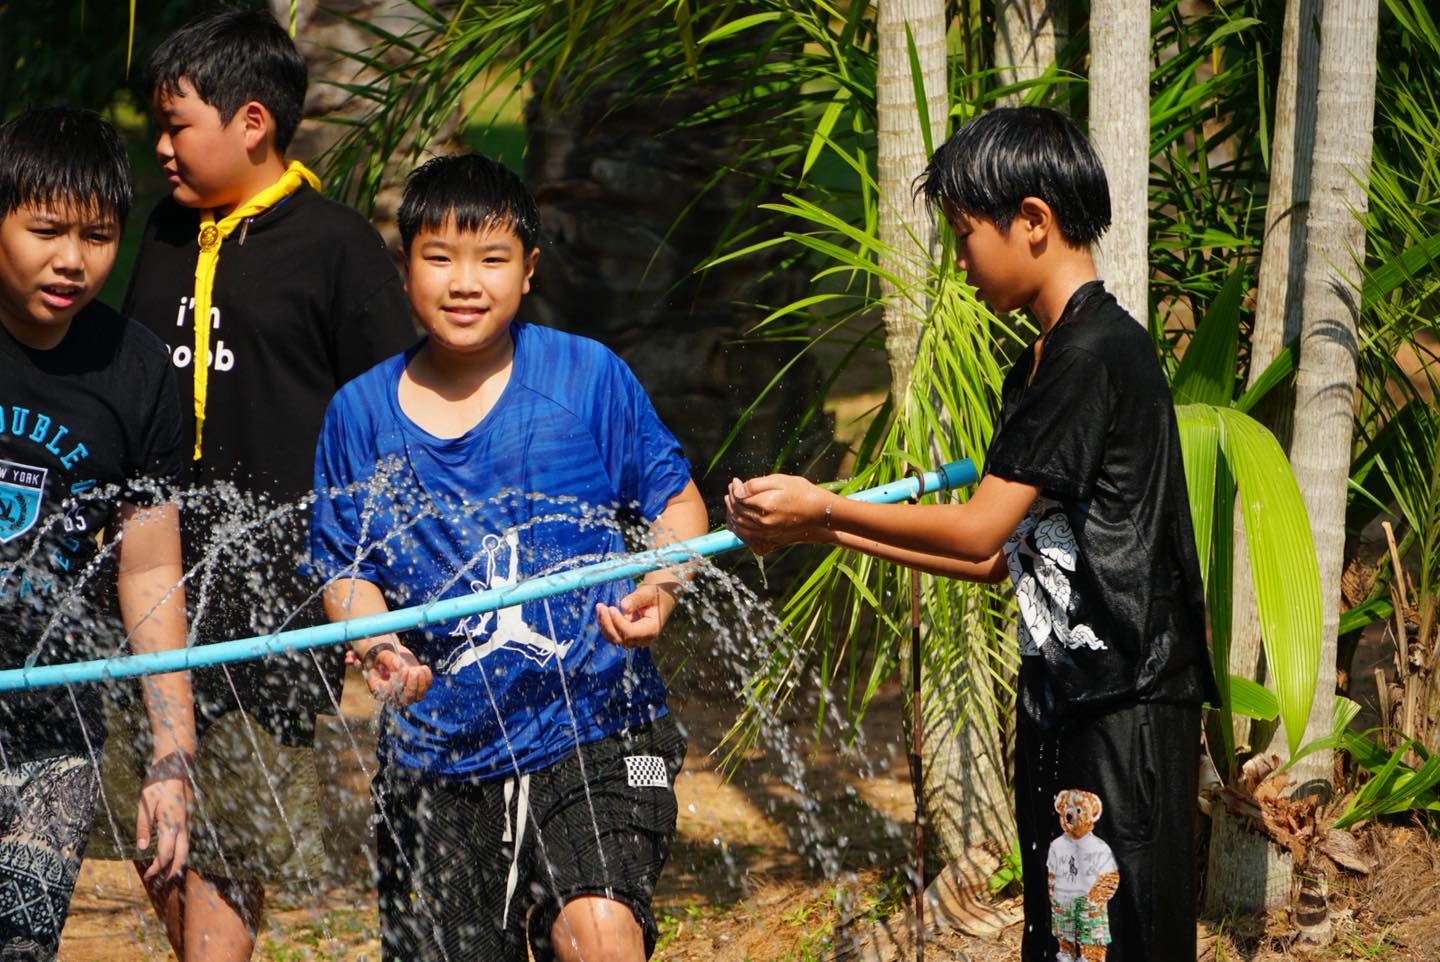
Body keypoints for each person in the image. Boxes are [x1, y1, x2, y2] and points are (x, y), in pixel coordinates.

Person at [725, 106, 1216, 962]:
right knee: (1066, 940)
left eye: (964, 235)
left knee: (1119, 937)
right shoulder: (1039, 362)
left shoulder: (1093, 353)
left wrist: (828, 509)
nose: (959, 261)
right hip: (1063, 694)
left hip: (1127, 701)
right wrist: (823, 532)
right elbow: (997, 555)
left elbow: (980, 523)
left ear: (1032, 220)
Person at [309, 153, 708, 962]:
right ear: (403, 265)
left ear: (528, 270)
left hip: (600, 721)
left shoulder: (586, 378)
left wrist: (661, 588)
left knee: (599, 933)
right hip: (440, 750)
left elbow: (678, 506)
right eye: (440, 257)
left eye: (491, 259)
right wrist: (381, 646)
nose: (465, 283)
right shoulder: (358, 415)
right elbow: (347, 570)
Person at [87, 8, 416, 961]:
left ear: (253, 124)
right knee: (159, 834)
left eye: (176, 125)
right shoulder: (162, 230)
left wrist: (373, 579)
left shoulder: (337, 247)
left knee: (230, 844)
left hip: (271, 594)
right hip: (147, 587)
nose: (160, 147)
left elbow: (391, 420)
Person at [0, 107, 195, 959]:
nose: (73, 261)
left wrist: (173, 753)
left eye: (98, 236)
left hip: (58, 727)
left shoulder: (137, 370)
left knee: (21, 943)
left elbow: (149, 573)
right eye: (45, 231)